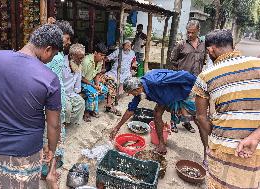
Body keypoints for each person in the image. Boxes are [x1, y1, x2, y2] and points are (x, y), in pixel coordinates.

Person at [0, 24, 63, 188]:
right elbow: (53, 124)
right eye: (54, 54)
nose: (52, 59)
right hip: (26, 152)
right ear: (48, 49)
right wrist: (51, 149)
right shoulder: (49, 78)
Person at [193, 29, 260, 188]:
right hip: (255, 150)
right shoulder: (257, 64)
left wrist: (218, 134)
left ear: (211, 50)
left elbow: (201, 117)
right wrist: (255, 137)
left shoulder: (205, 76)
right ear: (233, 45)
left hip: (223, 150)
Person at [110, 69, 197, 154]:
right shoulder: (139, 91)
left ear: (137, 88)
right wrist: (117, 127)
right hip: (163, 99)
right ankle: (161, 145)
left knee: (196, 117)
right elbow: (130, 110)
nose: (134, 95)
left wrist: (199, 83)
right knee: (157, 115)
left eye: (132, 93)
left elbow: (183, 75)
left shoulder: (155, 81)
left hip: (181, 93)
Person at [44, 20, 74, 168]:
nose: (68, 42)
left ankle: (55, 159)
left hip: (58, 99)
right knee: (51, 132)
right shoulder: (50, 55)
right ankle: (49, 165)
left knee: (57, 130)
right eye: (66, 38)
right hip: (51, 102)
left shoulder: (59, 54)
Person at [169, 20, 205, 133]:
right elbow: (173, 60)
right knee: (177, 101)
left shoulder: (203, 45)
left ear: (198, 31)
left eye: (192, 32)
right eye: (188, 32)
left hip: (195, 80)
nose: (189, 35)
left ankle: (186, 122)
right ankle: (173, 122)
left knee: (190, 103)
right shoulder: (181, 44)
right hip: (181, 79)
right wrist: (178, 75)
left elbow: (203, 61)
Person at [81, 45, 108, 122]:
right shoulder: (86, 61)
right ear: (95, 53)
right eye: (101, 55)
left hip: (91, 81)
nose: (102, 57)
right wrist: (93, 86)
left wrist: (97, 84)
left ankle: (92, 108)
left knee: (104, 90)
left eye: (104, 56)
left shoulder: (100, 61)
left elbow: (97, 74)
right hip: (82, 82)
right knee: (93, 93)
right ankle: (87, 112)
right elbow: (81, 77)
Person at [63, 43, 85, 126]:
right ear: (72, 56)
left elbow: (77, 85)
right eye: (79, 58)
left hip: (71, 93)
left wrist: (77, 94)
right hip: (60, 93)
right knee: (67, 107)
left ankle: (68, 121)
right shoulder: (61, 63)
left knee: (81, 102)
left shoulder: (78, 65)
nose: (81, 60)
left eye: (82, 58)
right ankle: (62, 123)